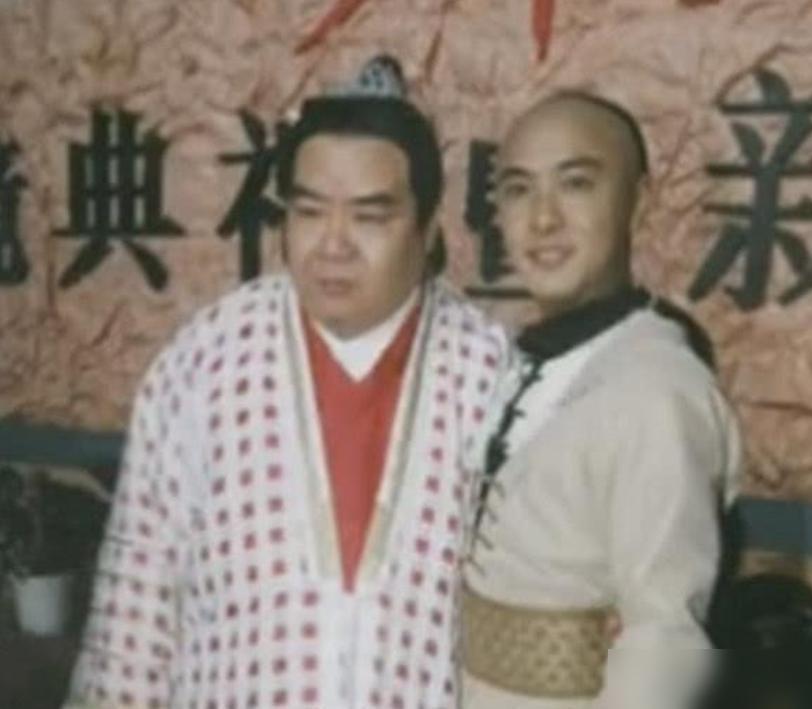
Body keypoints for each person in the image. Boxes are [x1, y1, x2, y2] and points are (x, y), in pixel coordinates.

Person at [67, 56, 509, 709]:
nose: (333, 244)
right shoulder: (206, 360)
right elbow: (137, 605)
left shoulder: (490, 375)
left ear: (426, 232)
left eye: (369, 216)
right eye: (309, 211)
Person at [461, 91, 742, 709]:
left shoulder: (656, 388)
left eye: (577, 184)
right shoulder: (512, 362)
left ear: (640, 203)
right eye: (518, 190)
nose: (542, 220)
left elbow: (663, 640)